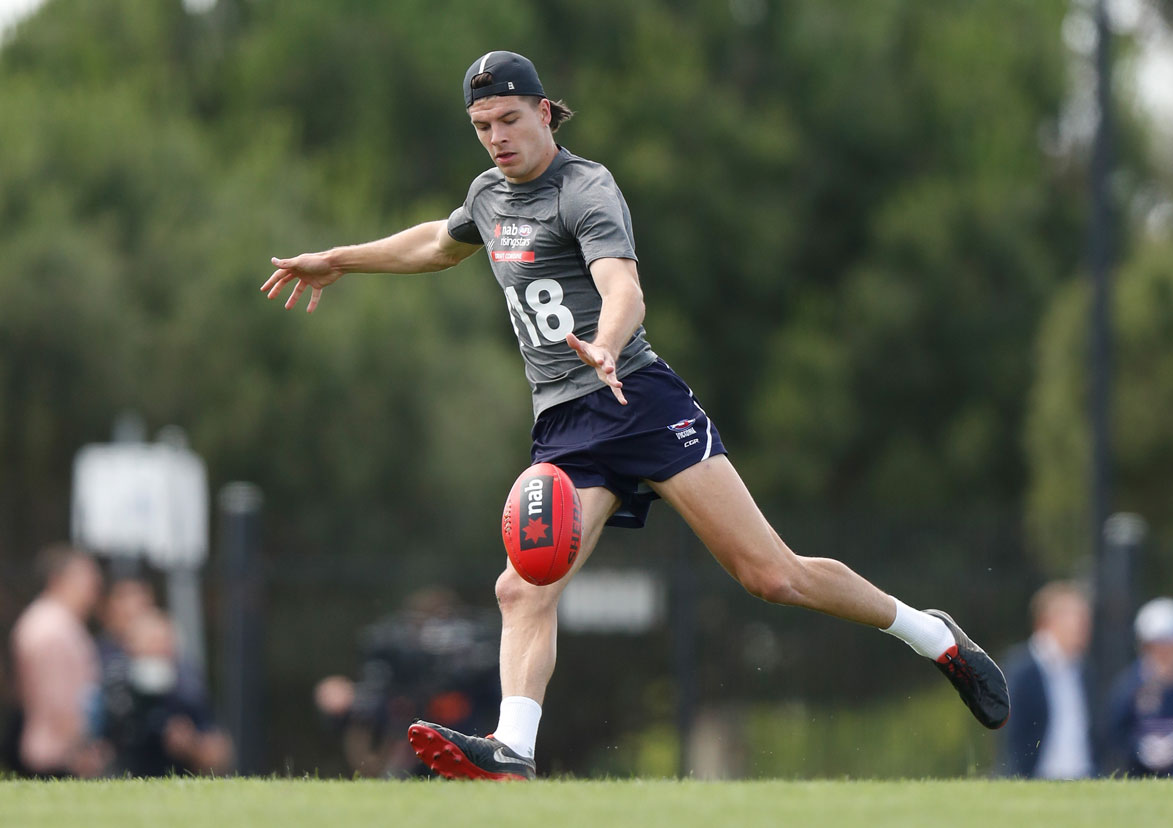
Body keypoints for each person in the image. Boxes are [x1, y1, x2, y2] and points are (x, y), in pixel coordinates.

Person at [262, 50, 1010, 780]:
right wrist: (340, 258)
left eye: (510, 118)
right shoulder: (489, 195)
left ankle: (930, 635)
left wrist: (608, 344)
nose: (497, 136)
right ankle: (513, 751)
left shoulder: (585, 187)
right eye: (483, 124)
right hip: (564, 427)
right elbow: (435, 241)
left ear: (545, 112)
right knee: (522, 584)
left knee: (771, 577)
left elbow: (622, 288)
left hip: (638, 404)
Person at [313, 588, 501, 777]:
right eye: (424, 624)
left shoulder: (477, 655)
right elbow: (364, 706)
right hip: (406, 733)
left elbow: (498, 696)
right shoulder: (397, 653)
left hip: (467, 731)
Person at [6, 544, 108, 777]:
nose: (95, 589)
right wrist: (80, 750)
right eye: (87, 579)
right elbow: (58, 699)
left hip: (56, 747)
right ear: (59, 579)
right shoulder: (51, 628)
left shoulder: (55, 623)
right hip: (55, 753)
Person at [100, 609, 232, 776]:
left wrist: (192, 747)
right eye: (151, 643)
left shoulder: (187, 689)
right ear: (129, 647)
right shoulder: (115, 686)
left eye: (164, 643)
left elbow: (220, 755)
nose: (159, 650)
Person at [1001, 581, 1095, 778]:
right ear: (1047, 621)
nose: (1083, 628)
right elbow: (1014, 734)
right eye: (1075, 619)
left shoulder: (1083, 669)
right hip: (1038, 777)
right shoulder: (1022, 669)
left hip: (1083, 777)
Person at [1106, 597, 1173, 776]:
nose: (1164, 653)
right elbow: (1115, 736)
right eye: (1156, 646)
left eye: (1171, 645)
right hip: (1142, 777)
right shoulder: (1130, 688)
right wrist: (1140, 749)